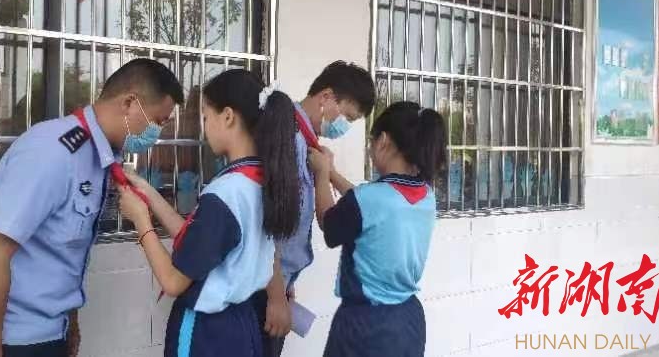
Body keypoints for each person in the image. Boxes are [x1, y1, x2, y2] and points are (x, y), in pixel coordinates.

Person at [0, 58, 184, 357]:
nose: (157, 133)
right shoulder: (53, 152)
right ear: (129, 103)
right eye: (157, 121)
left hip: (47, 335)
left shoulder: (96, 157)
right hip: (5, 341)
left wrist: (70, 322)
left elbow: (63, 253)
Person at [118, 69, 300, 357]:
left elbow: (173, 281)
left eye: (205, 117)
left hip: (207, 333)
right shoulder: (260, 181)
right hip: (240, 326)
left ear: (227, 116)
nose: (204, 127)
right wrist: (147, 192)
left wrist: (140, 219)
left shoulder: (227, 192)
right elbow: (198, 241)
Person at [252, 61, 375, 356]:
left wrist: (285, 282)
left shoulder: (307, 144)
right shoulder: (288, 138)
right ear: (326, 97)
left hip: (277, 282)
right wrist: (275, 292)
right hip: (263, 288)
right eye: (347, 116)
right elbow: (267, 222)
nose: (344, 127)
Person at [308, 101, 446, 357]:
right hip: (408, 321)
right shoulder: (425, 195)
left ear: (383, 141)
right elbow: (367, 208)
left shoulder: (371, 199)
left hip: (367, 326)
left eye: (371, 143)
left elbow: (331, 224)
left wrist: (321, 175)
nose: (371, 151)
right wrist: (332, 173)